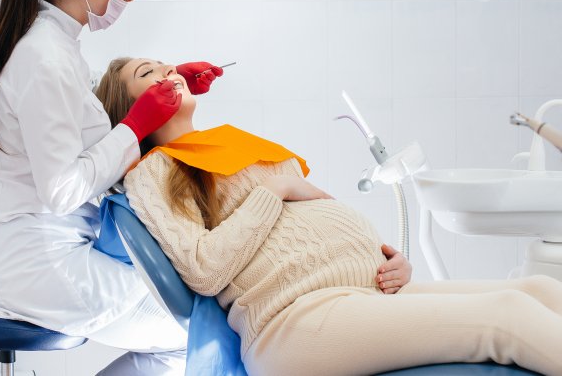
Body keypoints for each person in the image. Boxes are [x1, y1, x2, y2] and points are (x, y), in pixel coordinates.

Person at [95, 57, 562, 376]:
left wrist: (384, 258)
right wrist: (275, 189)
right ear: (131, 111)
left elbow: (312, 213)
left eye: (166, 66)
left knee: (539, 289)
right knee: (508, 315)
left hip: (360, 292)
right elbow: (204, 268)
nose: (167, 72)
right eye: (147, 74)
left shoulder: (227, 143)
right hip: (295, 322)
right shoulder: (154, 172)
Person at [0, 0, 223, 376]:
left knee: (191, 328)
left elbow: (77, 141)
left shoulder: (53, 47)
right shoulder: (45, 58)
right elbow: (62, 189)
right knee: (196, 334)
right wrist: (136, 125)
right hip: (35, 265)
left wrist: (167, 85)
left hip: (43, 253)